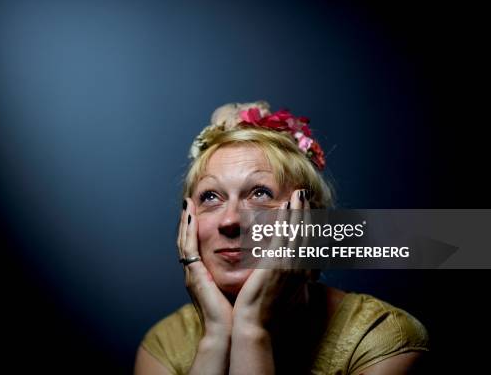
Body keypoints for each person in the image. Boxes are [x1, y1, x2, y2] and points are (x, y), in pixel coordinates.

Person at [134, 101, 429, 374]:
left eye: (260, 194)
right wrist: (215, 339)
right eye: (211, 196)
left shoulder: (383, 341)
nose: (230, 220)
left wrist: (250, 329)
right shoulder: (164, 346)